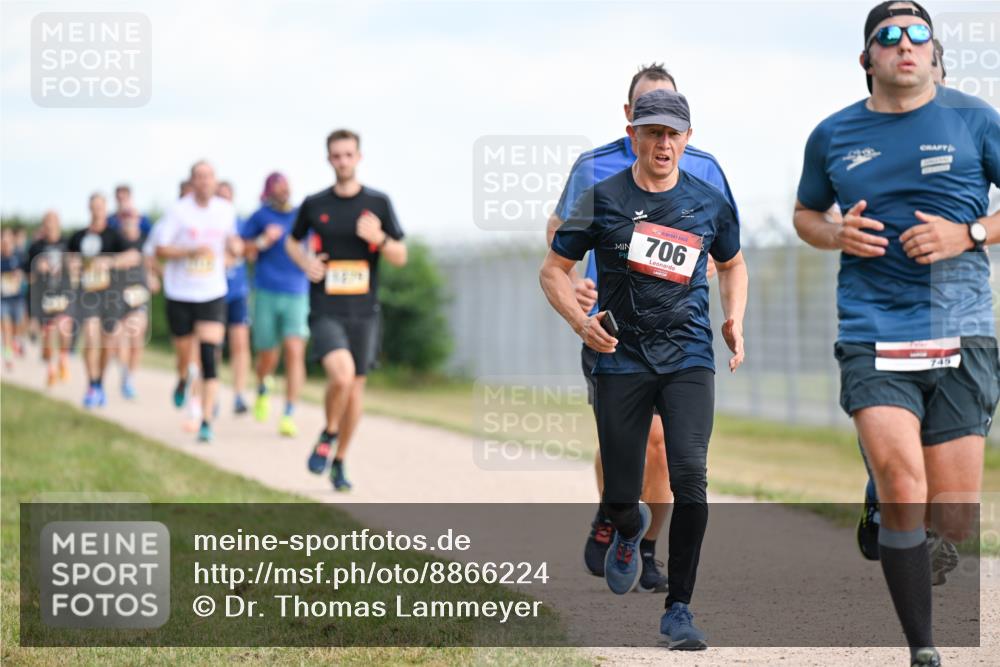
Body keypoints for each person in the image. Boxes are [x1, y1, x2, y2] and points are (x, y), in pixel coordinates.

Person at [793, 3, 999, 665]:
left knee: (955, 519)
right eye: (889, 36)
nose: (905, 45)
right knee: (906, 486)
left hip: (962, 330)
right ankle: (923, 647)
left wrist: (966, 232)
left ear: (932, 51)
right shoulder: (832, 134)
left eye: (918, 35)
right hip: (873, 327)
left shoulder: (974, 120)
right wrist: (835, 232)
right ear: (868, 58)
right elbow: (805, 213)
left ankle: (879, 493)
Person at [541, 89, 748, 649]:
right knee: (620, 494)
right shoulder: (600, 196)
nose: (662, 142)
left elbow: (732, 263)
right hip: (620, 356)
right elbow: (553, 270)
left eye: (672, 133)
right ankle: (627, 530)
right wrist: (580, 323)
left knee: (690, 479)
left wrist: (735, 318)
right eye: (652, 131)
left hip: (687, 358)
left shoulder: (708, 201)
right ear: (632, 133)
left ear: (687, 138)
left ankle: (678, 608)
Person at [854, 34, 952, 567]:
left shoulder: (967, 137)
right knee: (898, 421)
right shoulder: (868, 140)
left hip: (960, 312)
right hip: (886, 310)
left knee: (953, 427)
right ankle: (888, 498)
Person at [287, 129, 407, 490]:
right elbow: (294, 242)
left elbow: (400, 256)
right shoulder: (315, 204)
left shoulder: (378, 204)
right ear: (329, 160)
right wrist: (305, 261)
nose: (342, 161)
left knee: (354, 389)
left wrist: (380, 239)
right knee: (341, 376)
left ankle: (339, 459)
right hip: (326, 306)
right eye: (336, 156)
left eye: (348, 155)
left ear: (358, 157)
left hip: (364, 310)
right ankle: (329, 430)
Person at [155, 160, 244, 442]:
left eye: (209, 177)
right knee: (184, 354)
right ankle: (183, 379)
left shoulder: (226, 210)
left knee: (209, 356)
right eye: (199, 177)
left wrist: (235, 249)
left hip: (211, 292)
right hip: (180, 293)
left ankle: (206, 420)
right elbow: (160, 249)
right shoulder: (178, 211)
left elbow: (234, 243)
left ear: (215, 181)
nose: (204, 182)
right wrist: (189, 252)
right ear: (192, 182)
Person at [241, 172, 308, 437]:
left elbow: (314, 243)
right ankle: (262, 386)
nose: (283, 191)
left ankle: (289, 412)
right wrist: (262, 240)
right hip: (266, 290)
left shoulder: (303, 214)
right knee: (267, 354)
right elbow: (243, 252)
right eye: (277, 188)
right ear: (268, 192)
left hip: (297, 290)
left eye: (286, 187)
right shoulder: (259, 217)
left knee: (294, 349)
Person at [67, 193, 137, 408]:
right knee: (90, 337)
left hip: (111, 296)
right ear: (89, 209)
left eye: (100, 207)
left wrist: (111, 261)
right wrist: (76, 264)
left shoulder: (114, 235)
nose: (97, 210)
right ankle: (91, 384)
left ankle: (99, 382)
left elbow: (134, 256)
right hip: (87, 295)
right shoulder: (78, 236)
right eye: (93, 207)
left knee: (108, 344)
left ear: (105, 209)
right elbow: (68, 259)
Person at [216, 180, 252, 415]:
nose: (224, 200)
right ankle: (213, 394)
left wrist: (239, 247)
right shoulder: (206, 223)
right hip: (214, 293)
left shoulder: (240, 224)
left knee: (240, 343)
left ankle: (239, 394)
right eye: (220, 196)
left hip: (238, 291)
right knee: (214, 345)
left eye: (227, 196)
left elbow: (247, 250)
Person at [111, 206, 154, 399]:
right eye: (125, 217)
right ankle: (123, 370)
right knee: (119, 339)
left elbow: (150, 261)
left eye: (133, 216)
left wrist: (153, 276)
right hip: (118, 292)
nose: (129, 220)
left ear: (138, 219)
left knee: (137, 338)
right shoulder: (114, 240)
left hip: (138, 292)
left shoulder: (146, 240)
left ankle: (130, 379)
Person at [27, 210, 72, 385]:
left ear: (58, 224)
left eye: (53, 222)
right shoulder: (35, 247)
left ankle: (63, 358)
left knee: (64, 328)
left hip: (63, 294)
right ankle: (51, 369)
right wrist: (37, 266)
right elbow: (27, 276)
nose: (50, 225)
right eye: (47, 222)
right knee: (47, 337)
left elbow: (77, 266)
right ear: (43, 226)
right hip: (43, 298)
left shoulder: (67, 244)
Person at [1, 226, 26, 369]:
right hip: (2, 299)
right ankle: (8, 355)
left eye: (8, 237)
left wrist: (20, 276)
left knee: (17, 326)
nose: (5, 241)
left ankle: (16, 341)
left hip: (17, 298)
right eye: (2, 237)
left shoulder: (19, 256)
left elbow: (27, 274)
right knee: (5, 326)